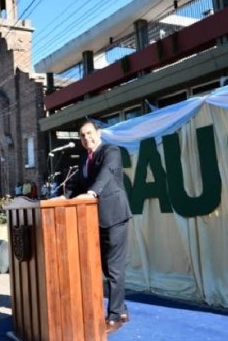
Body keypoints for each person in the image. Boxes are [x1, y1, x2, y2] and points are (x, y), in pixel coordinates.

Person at [63, 120, 133, 334]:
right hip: (96, 220)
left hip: (115, 217)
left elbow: (105, 174)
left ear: (98, 133)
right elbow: (78, 184)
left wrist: (92, 193)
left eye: (89, 133)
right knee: (105, 267)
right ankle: (121, 308)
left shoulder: (111, 151)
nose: (86, 138)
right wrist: (62, 197)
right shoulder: (84, 158)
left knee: (114, 268)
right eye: (82, 136)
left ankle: (115, 317)